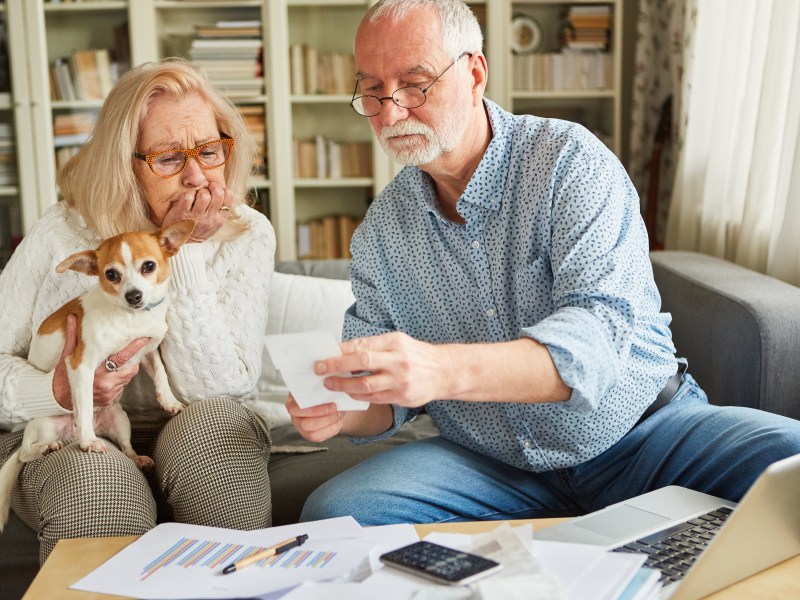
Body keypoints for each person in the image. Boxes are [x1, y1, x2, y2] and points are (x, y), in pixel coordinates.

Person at [290, 0, 800, 525]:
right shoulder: (381, 233)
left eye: (415, 84)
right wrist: (343, 410)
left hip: (645, 437)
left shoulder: (569, 163)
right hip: (493, 467)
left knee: (794, 461)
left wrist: (439, 370)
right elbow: (385, 402)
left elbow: (592, 346)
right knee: (337, 514)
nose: (391, 112)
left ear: (474, 73)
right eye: (372, 91)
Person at [0, 58, 275, 561]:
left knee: (217, 452)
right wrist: (52, 391)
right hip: (64, 426)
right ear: (124, 163)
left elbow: (220, 390)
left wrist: (180, 249)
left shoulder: (248, 233)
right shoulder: (61, 233)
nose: (196, 176)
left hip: (193, 418)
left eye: (209, 151)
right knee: (98, 488)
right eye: (169, 159)